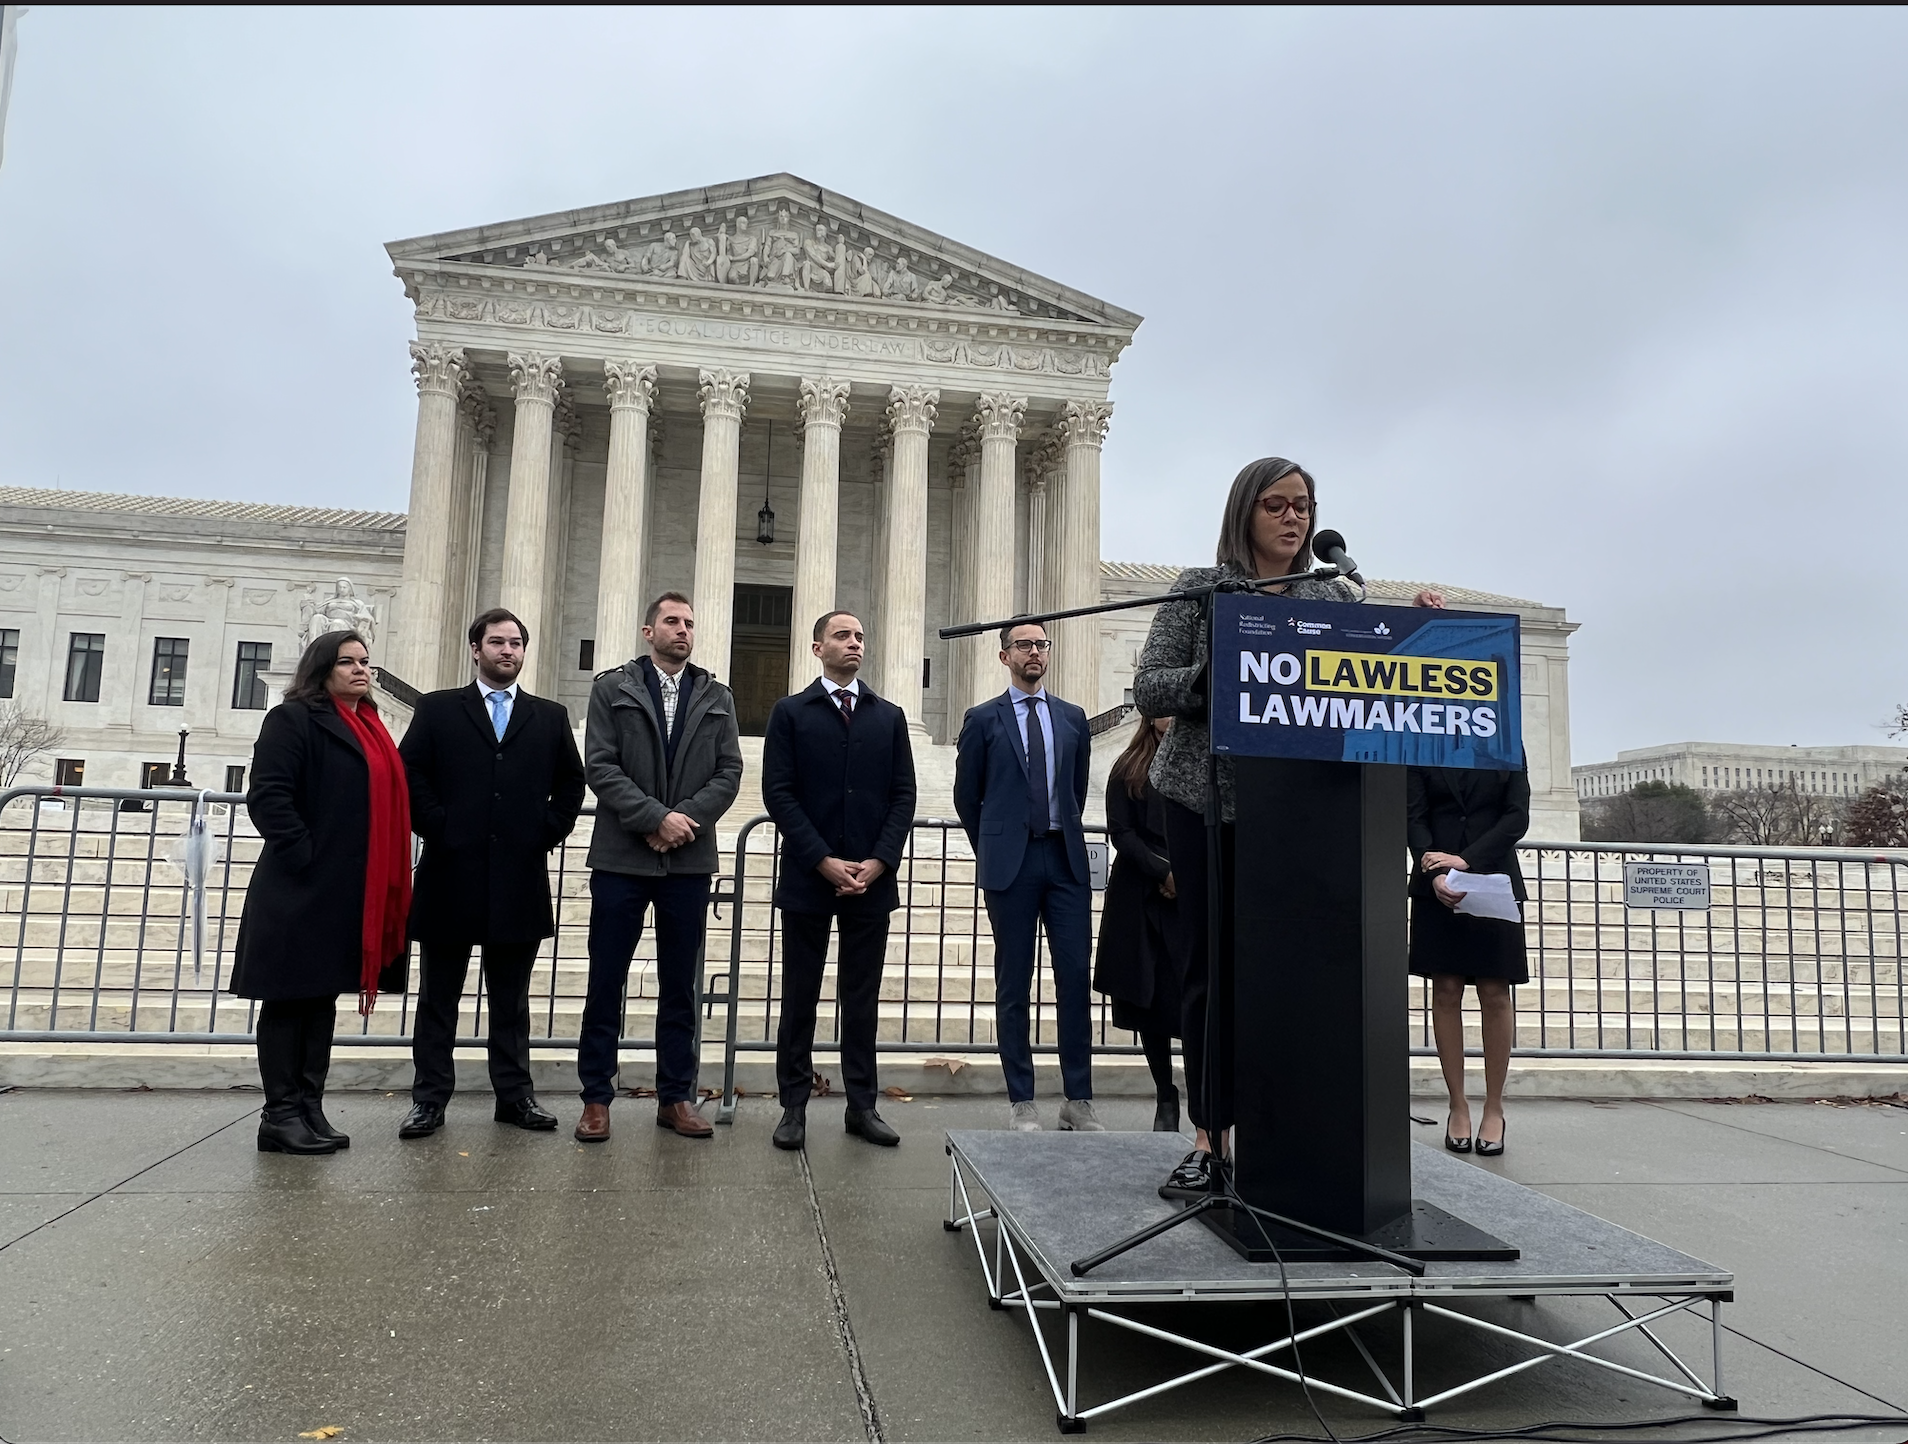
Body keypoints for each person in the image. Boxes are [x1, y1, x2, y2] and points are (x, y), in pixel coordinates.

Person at [1134, 456, 1443, 1194]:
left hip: (1302, 814)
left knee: (1290, 974)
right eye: (1276, 504)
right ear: (1245, 511)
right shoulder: (1202, 590)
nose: (1292, 517)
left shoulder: (1337, 592)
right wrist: (1214, 678)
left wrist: (1422, 636)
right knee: (1212, 971)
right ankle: (1210, 1135)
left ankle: (1289, 1129)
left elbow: (1371, 681)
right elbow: (1149, 685)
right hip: (1205, 803)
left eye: (1303, 504)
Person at [396, 608, 586, 1140]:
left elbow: (572, 785)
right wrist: (439, 826)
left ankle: (514, 1095)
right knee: (439, 998)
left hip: (518, 877)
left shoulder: (548, 716)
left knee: (511, 1000)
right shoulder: (437, 710)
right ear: (475, 649)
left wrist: (543, 835)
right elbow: (410, 772)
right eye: (498, 642)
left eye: (517, 643)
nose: (508, 651)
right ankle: (429, 1099)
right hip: (450, 874)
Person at [230, 631, 410, 1155]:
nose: (360, 670)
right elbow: (268, 796)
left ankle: (309, 1106)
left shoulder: (372, 726)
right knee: (288, 1002)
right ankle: (279, 1114)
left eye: (365, 662)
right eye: (346, 662)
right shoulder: (292, 720)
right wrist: (306, 855)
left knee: (320, 1001)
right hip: (299, 887)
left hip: (345, 890)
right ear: (321, 669)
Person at [575, 592, 742, 1143]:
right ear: (649, 631)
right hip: (623, 857)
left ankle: (676, 1097)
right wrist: (652, 817)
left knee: (680, 987)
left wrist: (681, 820)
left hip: (688, 860)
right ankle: (596, 1099)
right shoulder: (612, 688)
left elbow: (729, 770)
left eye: (689, 623)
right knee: (606, 982)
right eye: (671, 622)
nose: (682, 631)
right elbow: (600, 765)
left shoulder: (717, 694)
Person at [761, 610, 916, 1151]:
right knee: (799, 997)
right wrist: (821, 859)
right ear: (816, 647)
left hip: (872, 882)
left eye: (860, 637)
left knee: (862, 999)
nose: (855, 644)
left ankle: (862, 1105)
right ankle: (794, 1108)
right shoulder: (790, 713)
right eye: (843, 636)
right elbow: (778, 793)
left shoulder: (889, 716)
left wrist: (880, 861)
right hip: (809, 879)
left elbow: (903, 796)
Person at [954, 621, 1101, 1132]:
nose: (1035, 652)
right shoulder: (982, 720)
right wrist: (992, 846)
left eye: (1041, 645)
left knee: (1074, 984)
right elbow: (965, 796)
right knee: (1013, 985)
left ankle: (1077, 1099)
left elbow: (1076, 789)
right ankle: (1022, 1100)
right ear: (1004, 657)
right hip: (1010, 867)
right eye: (1024, 645)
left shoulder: (1072, 719)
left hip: (1064, 863)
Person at [1409, 765, 1531, 1158]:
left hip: (1492, 876)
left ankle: (1494, 1107)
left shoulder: (1506, 743)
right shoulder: (1426, 738)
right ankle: (1457, 1105)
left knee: (1495, 991)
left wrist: (1465, 860)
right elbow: (1414, 815)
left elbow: (1517, 815)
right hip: (1436, 885)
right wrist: (1438, 872)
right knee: (1445, 989)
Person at [1092, 714, 1182, 1133]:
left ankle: (1200, 1097)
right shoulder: (1128, 765)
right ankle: (1165, 1092)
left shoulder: (1197, 762)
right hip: (1140, 894)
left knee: (1185, 999)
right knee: (1148, 1004)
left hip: (1188, 896)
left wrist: (1183, 875)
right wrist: (1162, 872)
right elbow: (1121, 832)